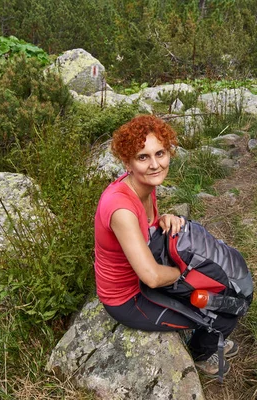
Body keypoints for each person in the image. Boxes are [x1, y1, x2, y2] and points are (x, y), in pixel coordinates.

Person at [94, 115, 239, 377]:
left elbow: (145, 229)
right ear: (127, 162)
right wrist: (184, 274)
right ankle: (202, 352)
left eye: (160, 153)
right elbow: (150, 277)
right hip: (129, 296)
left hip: (145, 271)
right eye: (143, 157)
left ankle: (207, 332)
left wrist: (163, 219)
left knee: (220, 287)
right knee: (217, 309)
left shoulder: (145, 185)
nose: (154, 164)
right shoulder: (121, 208)